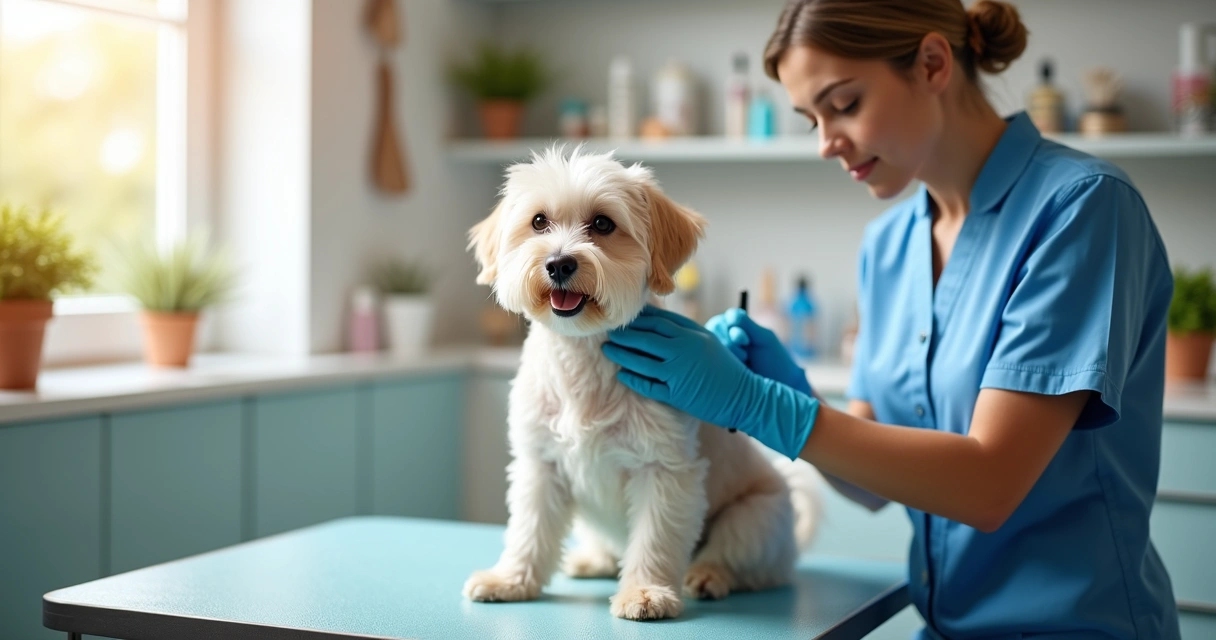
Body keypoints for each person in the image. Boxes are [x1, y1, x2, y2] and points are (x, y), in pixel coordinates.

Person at [599, 1, 1182, 638]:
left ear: (933, 64)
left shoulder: (1080, 210)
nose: (826, 143)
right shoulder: (891, 245)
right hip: (939, 625)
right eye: (811, 118)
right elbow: (876, 486)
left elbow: (988, 485)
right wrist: (792, 390)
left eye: (843, 104)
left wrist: (756, 403)